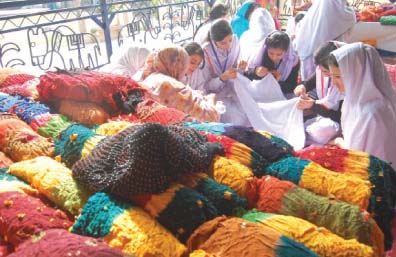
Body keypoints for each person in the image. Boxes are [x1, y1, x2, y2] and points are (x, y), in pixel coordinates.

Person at [328, 42, 396, 169]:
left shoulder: (373, 113)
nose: (334, 83)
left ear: (358, 74)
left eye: (338, 77)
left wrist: (339, 142)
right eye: (332, 77)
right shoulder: (353, 101)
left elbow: (361, 159)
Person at [142, 45, 224, 122]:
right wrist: (211, 99)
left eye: (198, 64)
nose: (193, 67)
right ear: (177, 64)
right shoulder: (170, 86)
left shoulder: (152, 77)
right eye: (186, 64)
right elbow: (210, 118)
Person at [295, 41, 345, 145]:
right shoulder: (323, 70)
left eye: (327, 72)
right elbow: (310, 82)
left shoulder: (346, 81)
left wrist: (313, 106)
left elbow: (340, 117)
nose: (323, 74)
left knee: (323, 130)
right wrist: (302, 87)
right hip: (322, 114)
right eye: (320, 70)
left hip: (339, 121)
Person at [200, 19, 248, 125]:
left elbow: (237, 66)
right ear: (214, 40)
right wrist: (222, 78)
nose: (228, 46)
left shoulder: (235, 40)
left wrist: (241, 65)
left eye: (230, 40)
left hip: (233, 88)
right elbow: (206, 85)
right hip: (217, 94)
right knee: (235, 120)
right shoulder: (205, 51)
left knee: (250, 111)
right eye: (223, 43)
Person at [294, 0, 356, 81]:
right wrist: (351, 12)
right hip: (323, 56)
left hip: (308, 52)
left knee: (311, 86)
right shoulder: (336, 9)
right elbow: (349, 18)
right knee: (323, 85)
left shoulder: (318, 7)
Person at [244, 31, 300, 98]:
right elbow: (245, 76)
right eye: (271, 53)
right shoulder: (259, 57)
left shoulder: (293, 61)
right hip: (258, 93)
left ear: (286, 51)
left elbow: (291, 86)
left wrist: (276, 81)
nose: (274, 57)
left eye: (279, 54)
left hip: (280, 95)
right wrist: (256, 72)